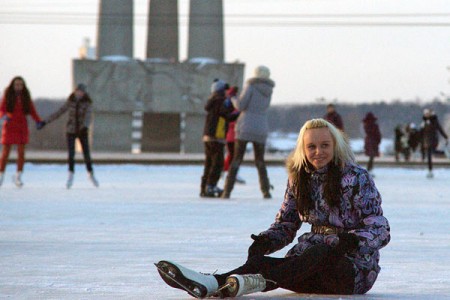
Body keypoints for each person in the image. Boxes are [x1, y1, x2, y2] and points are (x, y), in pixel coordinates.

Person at [155, 118, 391, 298]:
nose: (318, 152)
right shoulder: (299, 179)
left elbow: (379, 225)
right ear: (303, 149)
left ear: (335, 145)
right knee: (260, 262)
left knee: (320, 252)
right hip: (306, 266)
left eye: (325, 145)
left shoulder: (356, 177)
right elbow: (287, 223)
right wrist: (266, 241)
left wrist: (352, 241)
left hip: (350, 269)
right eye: (312, 147)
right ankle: (215, 283)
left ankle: (240, 283)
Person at [222, 65, 275, 199]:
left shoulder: (251, 86)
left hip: (245, 126)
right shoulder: (269, 90)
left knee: (236, 160)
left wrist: (233, 96)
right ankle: (266, 191)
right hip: (261, 127)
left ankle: (227, 191)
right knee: (260, 162)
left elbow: (240, 105)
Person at [37, 84, 99, 188]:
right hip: (71, 130)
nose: (79, 93)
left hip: (82, 131)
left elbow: (89, 116)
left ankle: (90, 174)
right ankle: (70, 175)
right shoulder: (71, 101)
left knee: (86, 154)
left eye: (81, 92)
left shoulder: (87, 103)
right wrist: (45, 122)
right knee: (71, 154)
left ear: (84, 93)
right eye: (77, 91)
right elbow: (59, 112)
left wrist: (85, 127)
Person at [0, 76, 44, 187]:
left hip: (21, 127)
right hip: (9, 127)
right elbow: (1, 109)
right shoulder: (7, 96)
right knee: (5, 153)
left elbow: (32, 111)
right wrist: (4, 116)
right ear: (13, 85)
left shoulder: (26, 97)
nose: (18, 87)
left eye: (20, 85)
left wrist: (39, 121)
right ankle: (1, 174)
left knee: (21, 153)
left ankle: (18, 176)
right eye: (16, 84)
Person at [200, 79, 234, 197]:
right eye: (225, 90)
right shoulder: (220, 100)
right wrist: (232, 103)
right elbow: (226, 114)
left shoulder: (212, 100)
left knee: (209, 163)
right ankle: (211, 185)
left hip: (208, 136)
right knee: (218, 163)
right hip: (216, 136)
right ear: (221, 90)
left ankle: (204, 187)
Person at [223, 86, 245, 185]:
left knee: (232, 155)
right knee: (233, 156)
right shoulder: (233, 110)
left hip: (232, 136)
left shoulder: (230, 107)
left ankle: (228, 172)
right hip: (232, 136)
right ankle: (228, 172)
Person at [420, 108, 448, 178]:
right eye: (425, 114)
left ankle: (444, 153)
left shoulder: (434, 120)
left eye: (427, 113)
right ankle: (430, 171)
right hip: (426, 141)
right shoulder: (424, 122)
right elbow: (421, 132)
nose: (426, 115)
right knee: (429, 155)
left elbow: (440, 129)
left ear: (430, 114)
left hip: (433, 140)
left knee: (432, 153)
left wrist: (446, 137)